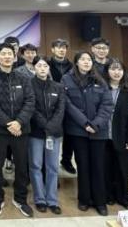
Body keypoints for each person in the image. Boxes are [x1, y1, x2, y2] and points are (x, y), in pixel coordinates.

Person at [0, 42, 35, 218]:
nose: (7, 57)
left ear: (14, 57)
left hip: (21, 130)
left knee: (22, 166)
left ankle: (20, 199)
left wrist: (18, 122)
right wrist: (9, 124)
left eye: (9, 54)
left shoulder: (23, 78)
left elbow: (30, 101)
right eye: (3, 54)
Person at [62, 51, 113, 216]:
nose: (86, 62)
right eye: (82, 59)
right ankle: (84, 199)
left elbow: (107, 105)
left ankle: (100, 201)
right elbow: (67, 104)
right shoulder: (66, 79)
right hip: (78, 130)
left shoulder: (100, 80)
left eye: (89, 59)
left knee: (98, 166)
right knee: (82, 165)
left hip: (98, 131)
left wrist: (96, 124)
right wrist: (84, 123)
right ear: (76, 62)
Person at [28, 56, 65, 215]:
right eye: (39, 66)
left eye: (45, 66)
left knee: (52, 167)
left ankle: (52, 200)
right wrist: (45, 125)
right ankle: (40, 199)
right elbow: (32, 108)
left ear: (49, 68)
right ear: (34, 68)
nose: (42, 68)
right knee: (36, 165)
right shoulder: (29, 85)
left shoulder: (58, 87)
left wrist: (51, 127)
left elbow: (60, 109)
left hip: (54, 133)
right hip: (36, 132)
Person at [104, 59, 128, 210]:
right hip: (103, 136)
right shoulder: (101, 89)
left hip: (122, 136)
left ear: (124, 72)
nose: (116, 72)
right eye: (113, 69)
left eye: (119, 69)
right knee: (106, 168)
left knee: (122, 169)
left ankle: (123, 197)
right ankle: (109, 196)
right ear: (107, 71)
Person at [48, 38, 75, 175]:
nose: (61, 50)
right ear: (53, 49)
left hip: (69, 102)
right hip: (51, 102)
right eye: (58, 47)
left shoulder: (72, 66)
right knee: (53, 132)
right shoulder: (46, 64)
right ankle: (50, 162)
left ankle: (66, 160)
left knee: (69, 133)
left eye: (64, 47)